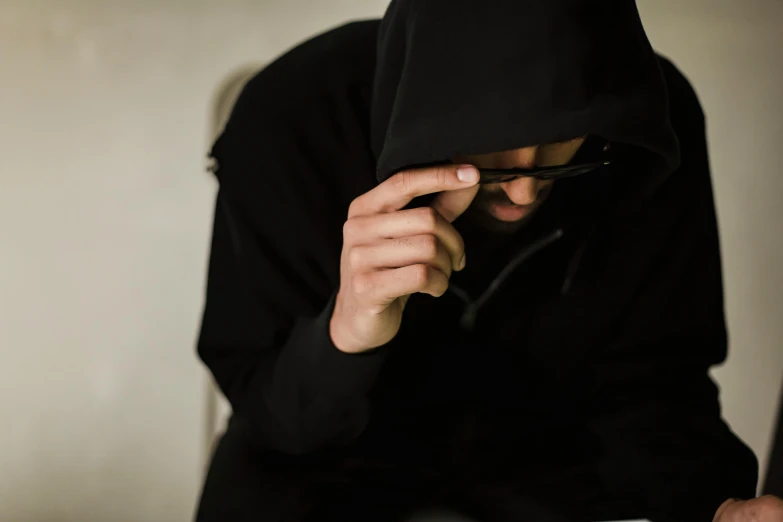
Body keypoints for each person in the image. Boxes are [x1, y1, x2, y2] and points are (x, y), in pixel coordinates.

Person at [194, 1, 780, 521]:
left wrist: (711, 503)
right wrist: (344, 333)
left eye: (564, 142)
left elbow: (653, 381)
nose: (525, 192)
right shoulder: (292, 116)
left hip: (550, 447)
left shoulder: (643, 126)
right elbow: (268, 403)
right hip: (324, 452)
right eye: (492, 140)